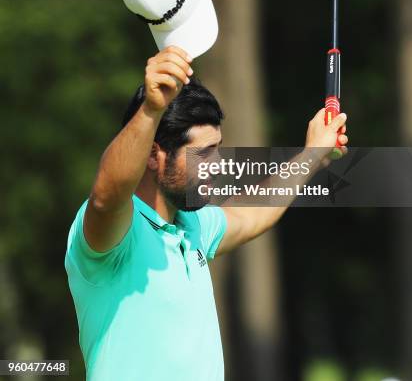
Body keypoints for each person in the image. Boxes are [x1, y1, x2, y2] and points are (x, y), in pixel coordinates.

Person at [65, 46, 348, 381]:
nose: (216, 164)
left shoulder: (192, 225)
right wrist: (151, 110)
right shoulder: (116, 233)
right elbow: (105, 196)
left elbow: (253, 212)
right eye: (204, 152)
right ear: (155, 157)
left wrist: (313, 154)